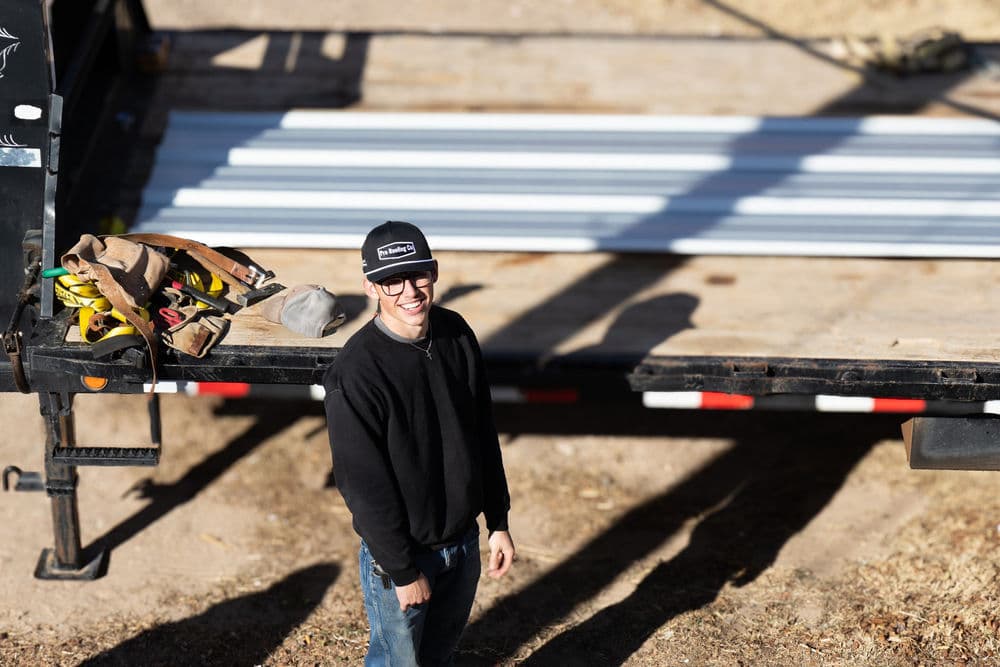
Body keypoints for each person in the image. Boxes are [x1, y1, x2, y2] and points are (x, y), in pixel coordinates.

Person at [324, 220, 515, 666]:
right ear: (371, 287)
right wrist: (403, 569)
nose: (409, 291)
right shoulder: (356, 374)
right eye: (392, 281)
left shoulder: (456, 335)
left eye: (418, 275)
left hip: (462, 544)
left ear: (434, 272)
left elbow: (483, 432)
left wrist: (498, 520)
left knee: (439, 657)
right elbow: (363, 486)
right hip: (406, 558)